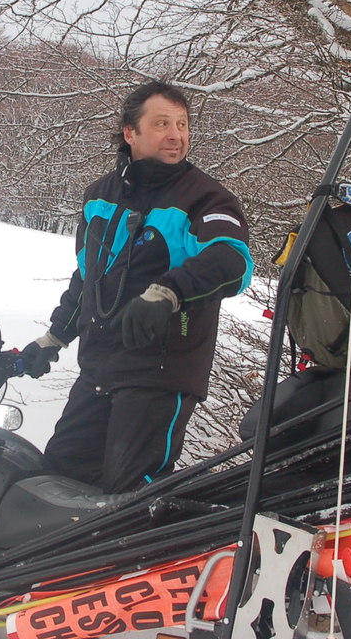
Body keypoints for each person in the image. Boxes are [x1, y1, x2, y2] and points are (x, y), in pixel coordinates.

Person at [18, 81, 254, 493]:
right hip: (98, 370)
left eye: (182, 124)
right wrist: (55, 336)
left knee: (128, 496)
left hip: (159, 375)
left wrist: (168, 293)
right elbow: (89, 277)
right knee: (56, 478)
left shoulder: (205, 199)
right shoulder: (99, 197)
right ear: (130, 132)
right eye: (162, 123)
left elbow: (232, 262)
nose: (176, 135)